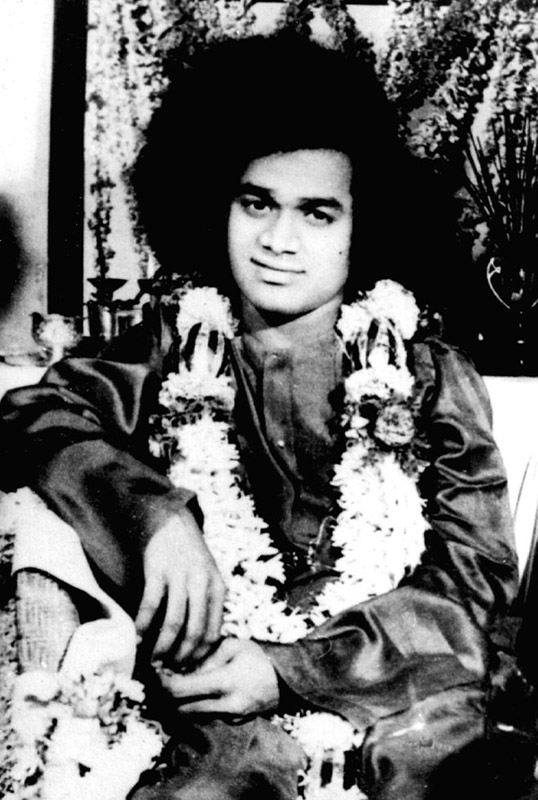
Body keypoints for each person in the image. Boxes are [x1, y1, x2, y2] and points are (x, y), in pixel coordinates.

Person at [0, 33, 531, 800]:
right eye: (257, 204)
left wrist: (288, 670)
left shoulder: (427, 375)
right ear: (214, 203)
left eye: (317, 214)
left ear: (362, 228)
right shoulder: (173, 348)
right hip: (213, 705)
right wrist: (155, 517)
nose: (279, 242)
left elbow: (473, 589)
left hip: (400, 695)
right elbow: (35, 414)